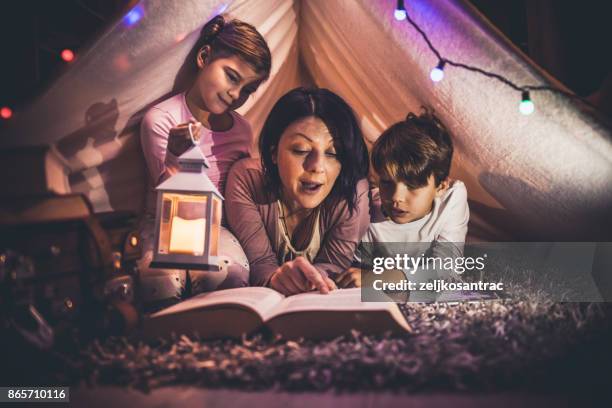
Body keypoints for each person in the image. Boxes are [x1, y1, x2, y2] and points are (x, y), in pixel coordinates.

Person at [138, 15, 272, 307]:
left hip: (216, 226)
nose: (235, 94)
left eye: (247, 90)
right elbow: (168, 195)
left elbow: (239, 190)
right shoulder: (162, 119)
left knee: (227, 274)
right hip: (165, 224)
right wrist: (177, 153)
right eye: (232, 77)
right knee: (162, 280)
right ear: (204, 56)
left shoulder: (241, 129)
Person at [225, 87, 371, 295]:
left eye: (333, 153)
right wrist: (276, 278)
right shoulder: (247, 179)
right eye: (301, 150)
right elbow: (259, 264)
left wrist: (309, 280)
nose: (317, 166)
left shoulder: (351, 192)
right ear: (273, 153)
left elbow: (333, 266)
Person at [341, 110, 469, 291]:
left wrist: (387, 277)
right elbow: (355, 269)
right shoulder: (367, 208)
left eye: (413, 185)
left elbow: (448, 271)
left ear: (441, 187)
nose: (396, 197)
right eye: (386, 182)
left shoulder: (452, 198)